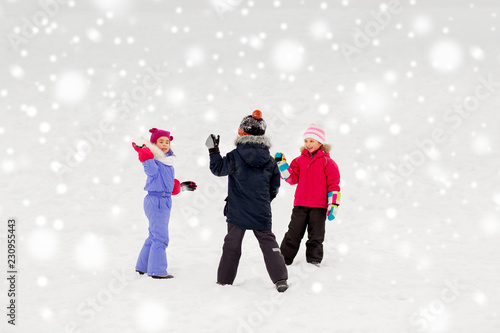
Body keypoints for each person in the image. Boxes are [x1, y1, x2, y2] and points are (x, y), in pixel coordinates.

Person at [205, 110, 289, 292]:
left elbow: (218, 169)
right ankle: (280, 279)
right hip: (261, 210)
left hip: (237, 210)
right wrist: (264, 200)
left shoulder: (235, 156)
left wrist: (213, 150)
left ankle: (224, 281)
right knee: (268, 244)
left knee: (232, 245)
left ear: (242, 132)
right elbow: (274, 187)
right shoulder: (270, 160)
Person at [133, 128, 197, 279]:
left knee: (153, 235)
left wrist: (180, 187)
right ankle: (157, 270)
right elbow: (150, 171)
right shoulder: (155, 162)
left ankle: (142, 265)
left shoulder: (167, 163)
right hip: (157, 201)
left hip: (163, 200)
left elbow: (166, 185)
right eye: (160, 141)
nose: (164, 144)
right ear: (154, 144)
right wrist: (146, 156)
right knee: (161, 237)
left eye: (167, 142)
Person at [275, 123, 341, 267]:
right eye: (306, 141)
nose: (308, 144)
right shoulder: (299, 160)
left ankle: (314, 259)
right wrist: (282, 166)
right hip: (300, 204)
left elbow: (334, 185)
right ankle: (284, 258)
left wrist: (333, 204)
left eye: (312, 141)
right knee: (293, 232)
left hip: (319, 205)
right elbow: (292, 179)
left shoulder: (328, 163)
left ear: (320, 143)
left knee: (316, 234)